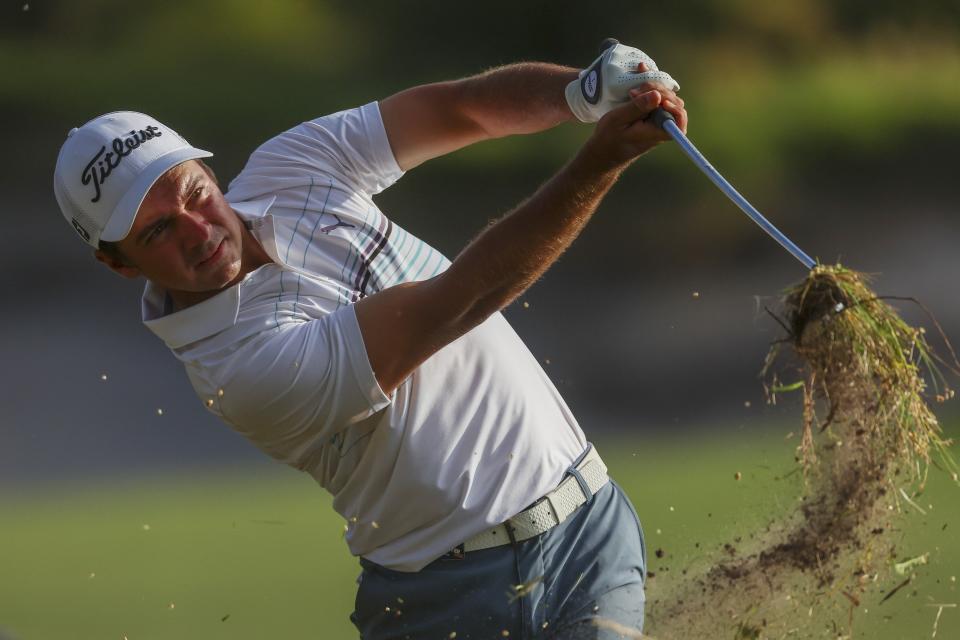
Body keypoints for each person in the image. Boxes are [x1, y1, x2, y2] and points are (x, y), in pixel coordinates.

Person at [53, 42, 686, 639]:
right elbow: (457, 301)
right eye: (159, 230)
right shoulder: (237, 370)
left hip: (592, 526)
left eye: (194, 192)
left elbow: (455, 109)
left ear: (206, 169)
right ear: (120, 264)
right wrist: (600, 162)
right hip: (452, 598)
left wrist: (582, 92)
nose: (198, 230)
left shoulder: (289, 166)